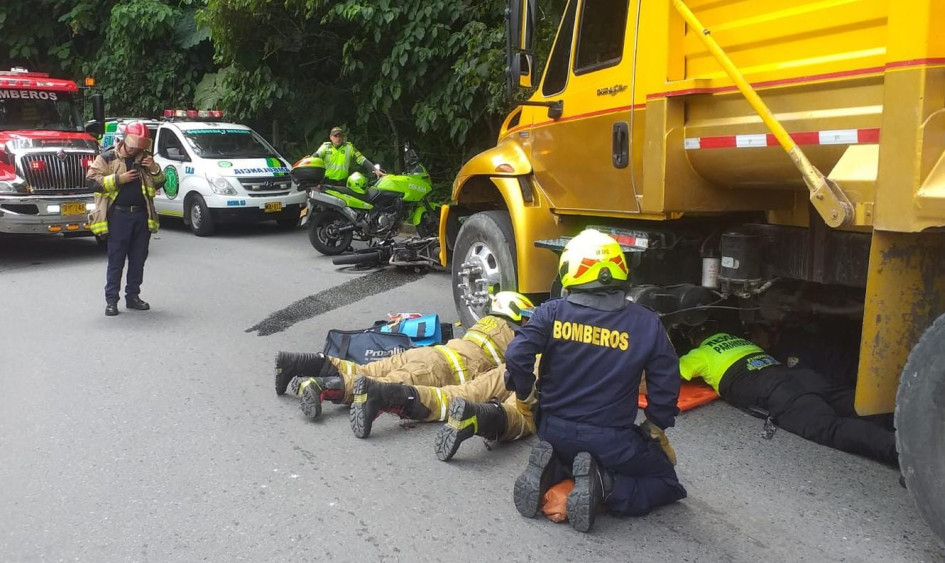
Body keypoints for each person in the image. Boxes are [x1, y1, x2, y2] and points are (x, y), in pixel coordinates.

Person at [505, 228, 687, 533]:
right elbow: (666, 379)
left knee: (573, 450)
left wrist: (526, 396)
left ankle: (555, 469)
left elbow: (516, 355)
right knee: (666, 482)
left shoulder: (550, 313)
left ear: (570, 271)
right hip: (611, 441)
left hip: (552, 429)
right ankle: (605, 487)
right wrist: (657, 425)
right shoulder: (646, 323)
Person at [273, 292, 535, 423]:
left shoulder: (483, 324)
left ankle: (297, 363)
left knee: (369, 370)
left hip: (426, 353)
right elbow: (509, 373)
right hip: (441, 368)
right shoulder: (516, 336)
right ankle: (319, 387)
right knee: (386, 384)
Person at [678, 323, 898, 466]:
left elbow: (661, 377)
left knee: (830, 428)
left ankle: (898, 451)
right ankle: (910, 427)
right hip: (803, 376)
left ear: (697, 341)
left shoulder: (700, 354)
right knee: (856, 407)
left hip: (779, 391)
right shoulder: (742, 342)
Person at [86, 121, 164, 317]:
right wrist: (118, 179)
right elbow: (91, 182)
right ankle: (111, 301)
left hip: (141, 216)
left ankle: (133, 297)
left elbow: (161, 183)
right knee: (116, 260)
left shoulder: (146, 159)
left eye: (141, 144)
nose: (137, 148)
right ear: (125, 139)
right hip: (118, 216)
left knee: (138, 260)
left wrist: (154, 169)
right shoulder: (107, 157)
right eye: (134, 143)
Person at [312, 126, 381, 185]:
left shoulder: (349, 147)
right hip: (327, 182)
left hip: (343, 183)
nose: (338, 138)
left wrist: (374, 169)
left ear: (343, 137)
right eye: (335, 136)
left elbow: (361, 159)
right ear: (330, 137)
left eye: (340, 136)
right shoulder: (326, 147)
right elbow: (315, 157)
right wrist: (307, 160)